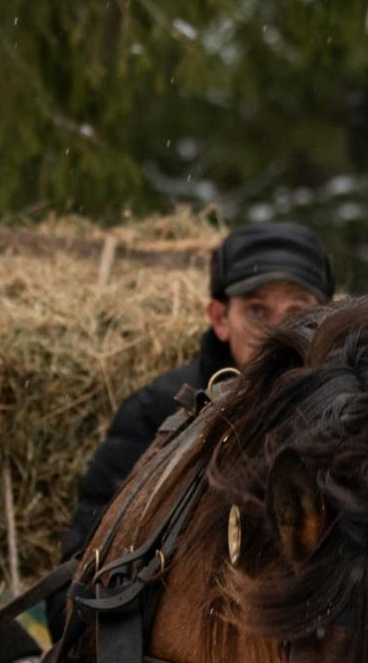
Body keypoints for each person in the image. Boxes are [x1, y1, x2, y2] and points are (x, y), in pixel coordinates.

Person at [60, 221, 334, 562]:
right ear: (220, 318)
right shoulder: (156, 413)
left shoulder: (348, 424)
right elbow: (82, 575)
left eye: (299, 313)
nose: (279, 334)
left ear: (327, 320)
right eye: (256, 311)